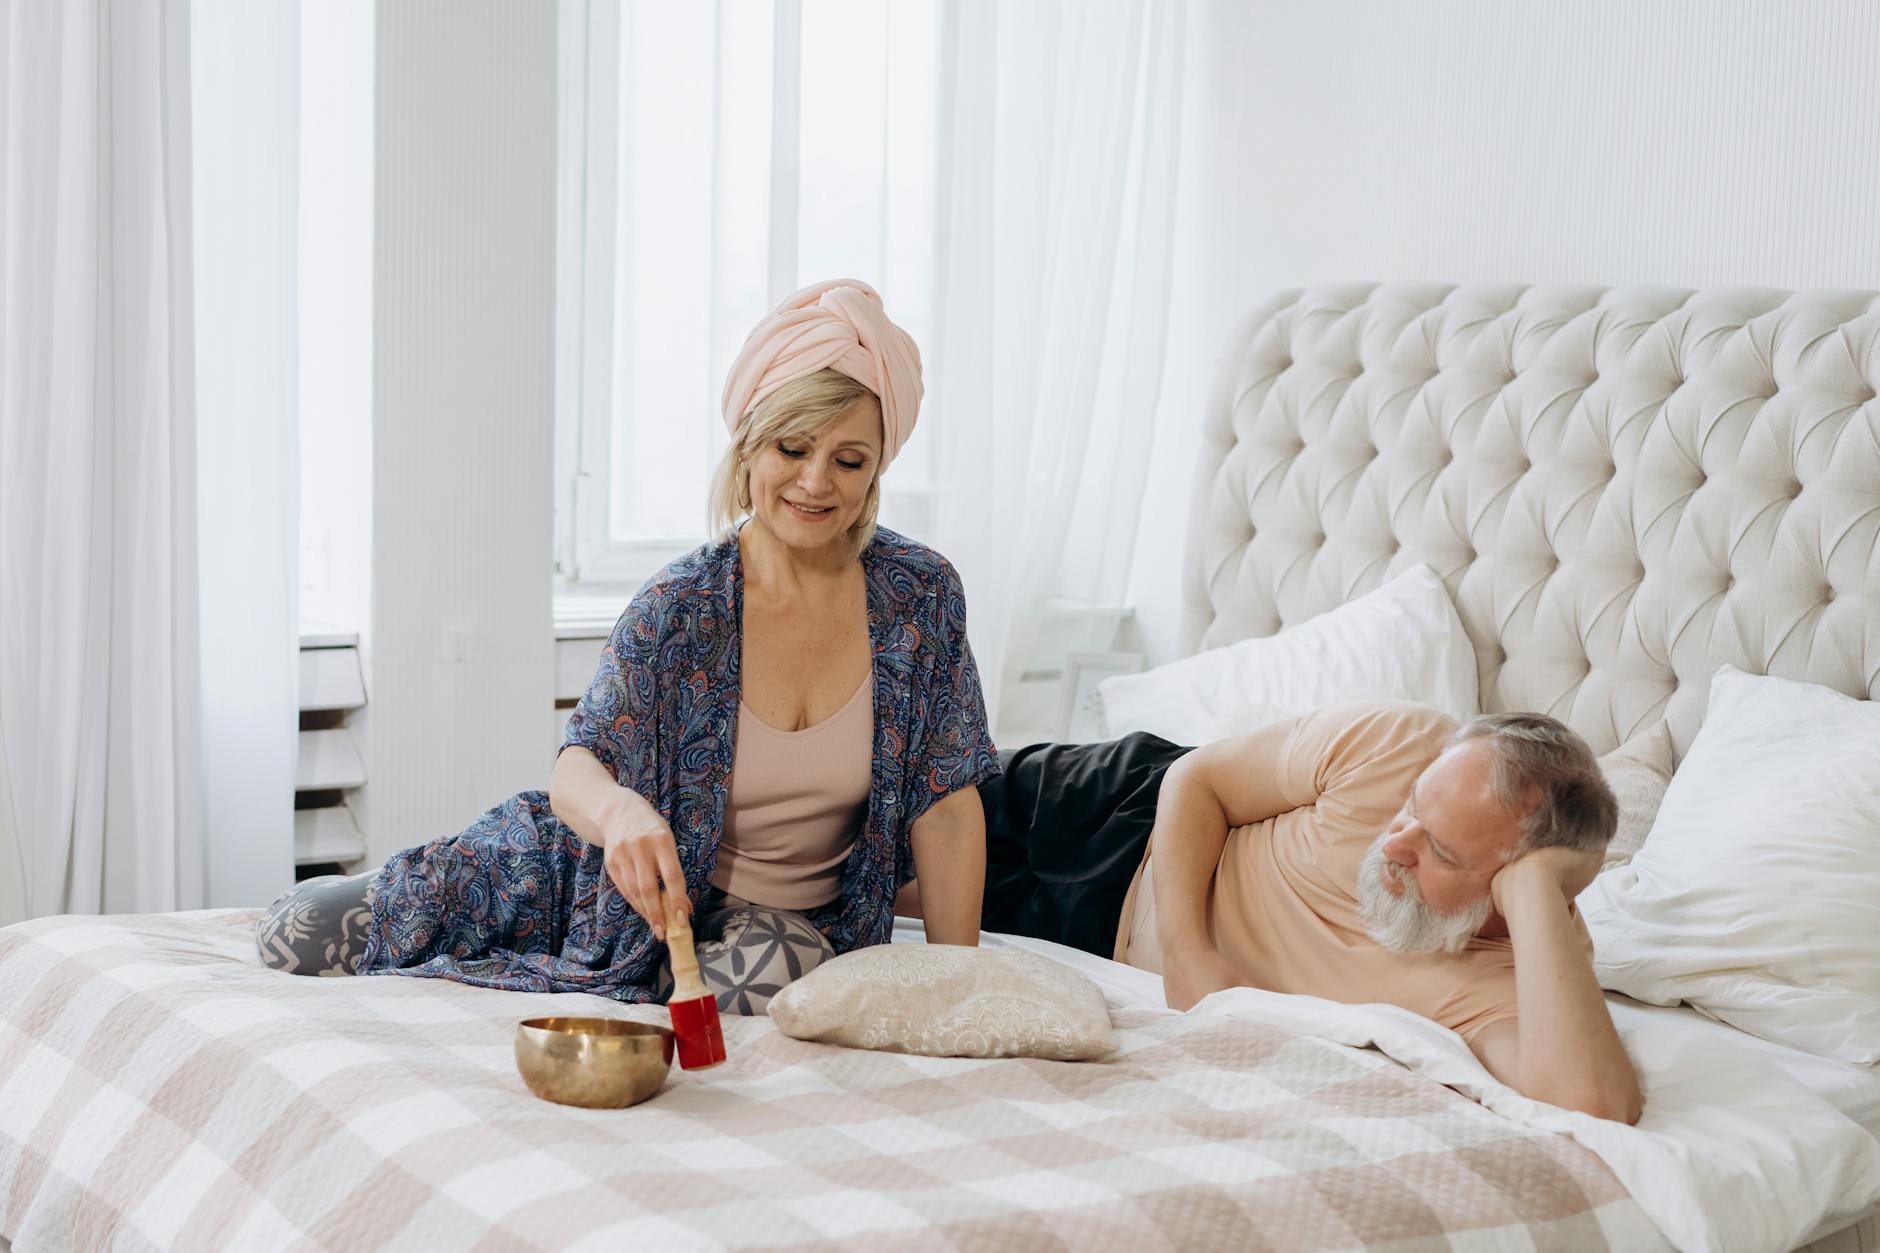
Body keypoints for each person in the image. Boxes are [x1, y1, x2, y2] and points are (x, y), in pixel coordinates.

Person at [258, 280, 999, 1014]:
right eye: (793, 446)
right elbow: (577, 767)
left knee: (771, 973)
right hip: (588, 879)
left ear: (877, 469)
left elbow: (948, 808)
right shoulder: (681, 606)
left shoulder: (919, 598)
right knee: (299, 933)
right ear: (748, 446)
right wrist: (621, 816)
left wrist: (957, 993)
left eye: (848, 459)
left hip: (778, 925)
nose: (815, 481)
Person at [958, 701, 1643, 1123]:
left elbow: (1592, 1104)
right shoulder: (1397, 738)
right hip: (1132, 810)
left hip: (1090, 929)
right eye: (1412, 805)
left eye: (1438, 847)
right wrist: (1189, 954)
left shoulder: (1512, 977)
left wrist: (1536, 891)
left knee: (872, 896)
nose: (1394, 842)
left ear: (1511, 888)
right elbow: (1199, 779)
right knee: (873, 809)